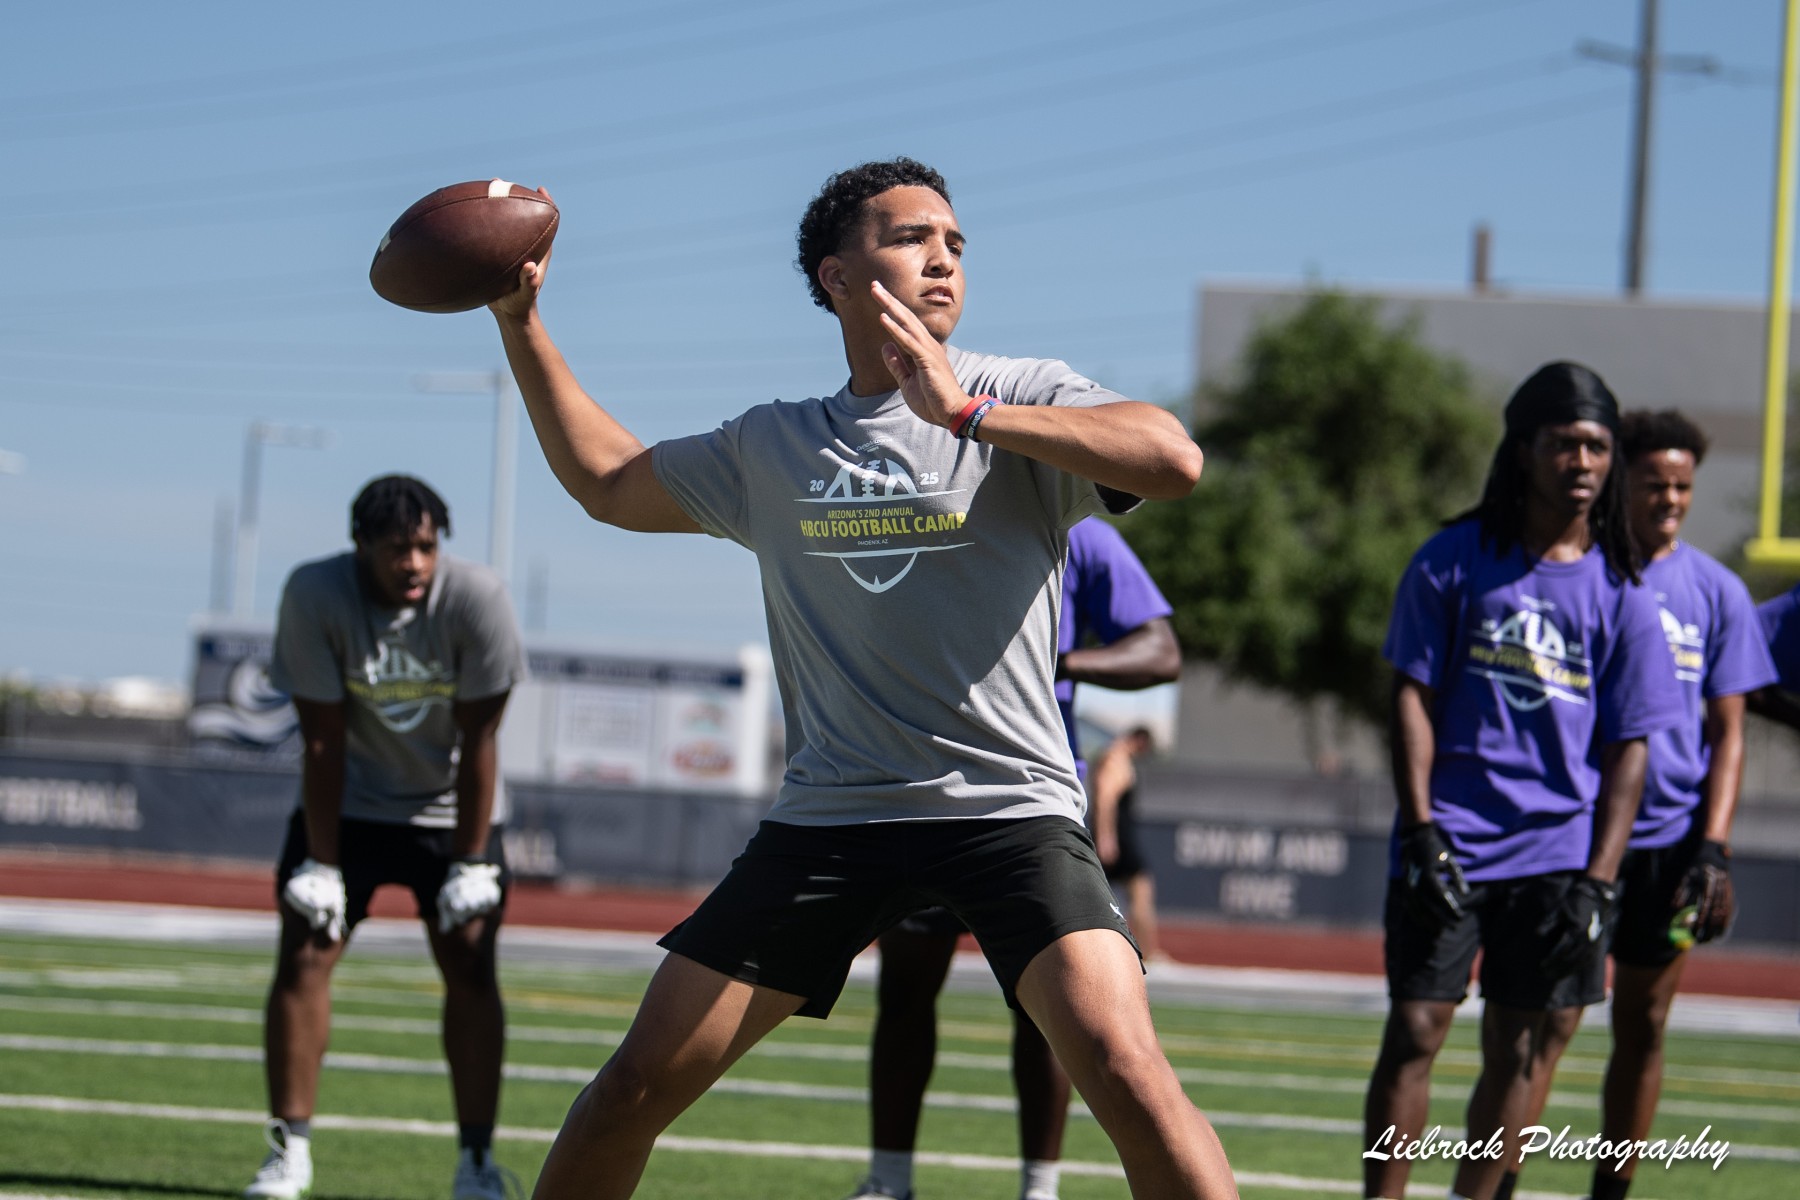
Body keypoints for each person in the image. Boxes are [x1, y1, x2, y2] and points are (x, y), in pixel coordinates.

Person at [486, 158, 1239, 1200]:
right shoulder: (775, 444)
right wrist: (520, 324)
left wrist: (966, 413)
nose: (943, 258)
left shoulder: (1021, 393)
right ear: (836, 277)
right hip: (833, 820)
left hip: (1008, 812)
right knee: (629, 1092)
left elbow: (1172, 457)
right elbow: (608, 482)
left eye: (956, 243)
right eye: (912, 237)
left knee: (1128, 1074)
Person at [1360, 363, 1682, 1200]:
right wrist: (1421, 827)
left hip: (1558, 856)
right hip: (1452, 840)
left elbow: (1630, 749)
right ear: (1524, 450)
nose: (1583, 462)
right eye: (1565, 444)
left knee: (1521, 1045)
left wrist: (1600, 880)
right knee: (1416, 1029)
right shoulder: (1451, 560)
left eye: (1598, 447)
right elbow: (1410, 698)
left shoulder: (1623, 593)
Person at [1488, 411, 1777, 1200]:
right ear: (1621, 485)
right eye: (1655, 484)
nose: (1670, 500)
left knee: (1645, 1024)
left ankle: (1611, 1191)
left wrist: (1713, 846)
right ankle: (1500, 1182)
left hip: (1671, 847)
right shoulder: (1584, 577)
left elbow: (1729, 732)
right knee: (1548, 1024)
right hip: (1580, 838)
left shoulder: (1717, 592)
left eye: (1683, 486)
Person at [848, 517, 1178, 1200]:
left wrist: (1059, 661)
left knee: (1049, 1008)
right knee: (904, 992)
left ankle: (1040, 1190)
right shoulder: (931, 509)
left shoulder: (1080, 530)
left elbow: (1160, 651)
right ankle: (889, 1182)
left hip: (1036, 799)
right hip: (926, 785)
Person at [242, 475, 527, 1200]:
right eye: (398, 548)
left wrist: (471, 862)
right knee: (306, 949)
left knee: (470, 959)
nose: (415, 563)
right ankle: (288, 1151)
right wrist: (322, 864)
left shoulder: (478, 598)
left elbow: (481, 738)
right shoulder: (316, 593)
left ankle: (476, 1162)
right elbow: (321, 739)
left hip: (451, 808)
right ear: (361, 544)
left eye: (427, 547)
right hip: (350, 804)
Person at [1088, 724, 1164, 962]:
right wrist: (1106, 838)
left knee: (1101, 896)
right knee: (1142, 889)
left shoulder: (1109, 756)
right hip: (1118, 837)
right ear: (1140, 741)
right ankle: (1148, 954)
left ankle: (1135, 953)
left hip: (1114, 836)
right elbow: (1105, 799)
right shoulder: (1117, 759)